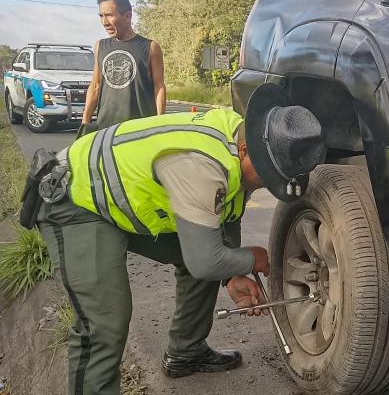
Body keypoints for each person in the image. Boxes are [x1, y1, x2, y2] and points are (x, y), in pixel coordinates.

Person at [35, 92, 326, 395]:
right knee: (105, 321)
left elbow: (225, 217)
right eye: (267, 177)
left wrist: (232, 273)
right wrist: (251, 259)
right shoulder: (202, 165)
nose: (267, 185)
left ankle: (185, 353)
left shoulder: (244, 136)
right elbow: (205, 260)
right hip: (75, 199)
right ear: (244, 151)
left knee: (211, 255)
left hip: (121, 199)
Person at [79, 0, 166, 138]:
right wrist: (85, 123)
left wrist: (160, 124)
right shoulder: (100, 46)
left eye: (109, 15)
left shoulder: (150, 47)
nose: (104, 22)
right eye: (101, 16)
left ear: (128, 16)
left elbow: (159, 87)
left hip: (140, 131)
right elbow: (95, 86)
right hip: (105, 131)